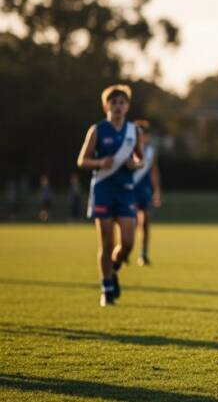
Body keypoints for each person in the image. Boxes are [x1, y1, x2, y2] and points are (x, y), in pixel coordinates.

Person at [77, 84, 144, 306]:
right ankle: (106, 288)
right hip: (103, 190)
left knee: (127, 243)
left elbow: (140, 159)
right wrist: (99, 162)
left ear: (127, 106)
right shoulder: (97, 130)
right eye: (113, 102)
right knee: (106, 242)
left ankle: (113, 270)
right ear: (106, 106)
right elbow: (82, 160)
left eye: (122, 102)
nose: (117, 106)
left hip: (125, 191)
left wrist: (134, 164)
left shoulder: (135, 132)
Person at [132, 120, 162, 266]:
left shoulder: (150, 151)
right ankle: (124, 252)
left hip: (144, 189)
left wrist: (156, 191)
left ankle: (143, 254)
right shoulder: (127, 149)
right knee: (128, 222)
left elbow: (154, 171)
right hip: (129, 188)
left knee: (145, 222)